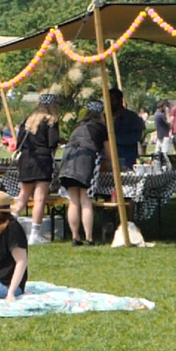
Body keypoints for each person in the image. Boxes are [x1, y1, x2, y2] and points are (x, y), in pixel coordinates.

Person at [56, 101, 107, 246]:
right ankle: (89, 237)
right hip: (85, 159)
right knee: (85, 200)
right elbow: (109, 153)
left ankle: (75, 237)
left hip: (69, 159)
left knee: (73, 201)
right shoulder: (100, 127)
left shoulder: (78, 126)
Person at [12, 94, 59, 218]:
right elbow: (52, 142)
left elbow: (19, 143)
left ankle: (10, 221)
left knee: (23, 195)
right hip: (43, 160)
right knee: (39, 198)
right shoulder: (51, 120)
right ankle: (35, 232)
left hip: (26, 158)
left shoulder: (28, 120)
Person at [108, 88, 145, 169]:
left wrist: (117, 140)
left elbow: (137, 135)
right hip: (108, 158)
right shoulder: (104, 117)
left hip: (127, 158)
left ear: (120, 100)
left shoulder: (132, 117)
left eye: (112, 100)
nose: (109, 103)